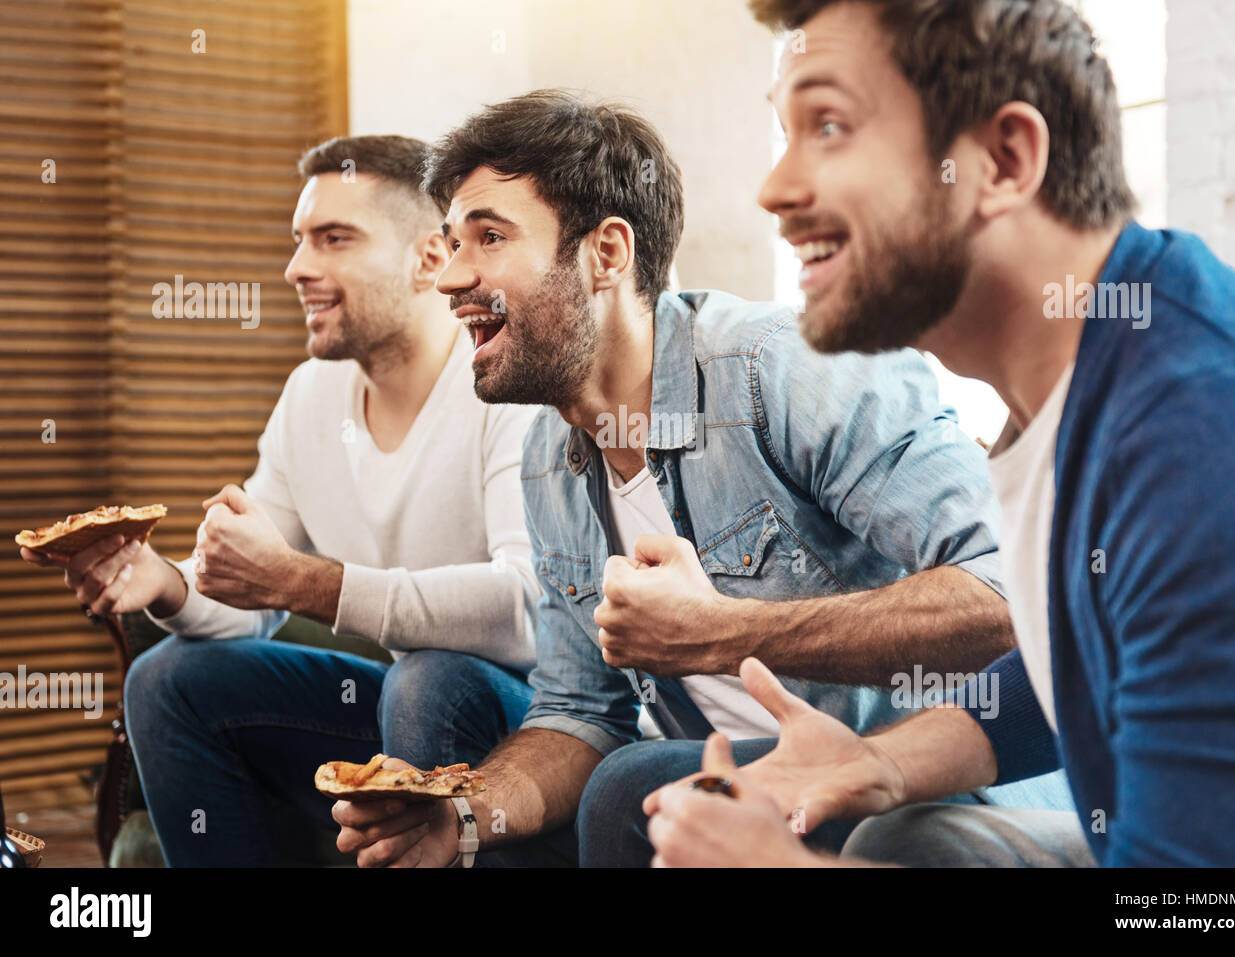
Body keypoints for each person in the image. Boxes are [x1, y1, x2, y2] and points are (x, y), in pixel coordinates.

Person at [331, 90, 1069, 869]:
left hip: (921, 780)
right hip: (729, 780)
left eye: (488, 237)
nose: (450, 277)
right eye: (449, 243)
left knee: (631, 786)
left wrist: (721, 631)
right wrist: (472, 815)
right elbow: (580, 712)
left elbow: (1012, 596)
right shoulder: (551, 457)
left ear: (606, 254)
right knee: (506, 832)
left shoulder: (790, 367)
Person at [645, 0, 1235, 867]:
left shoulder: (1201, 439)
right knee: (907, 835)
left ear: (1002, 160)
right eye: (785, 133)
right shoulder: (1080, 375)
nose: (775, 190)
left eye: (830, 126)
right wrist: (878, 759)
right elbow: (1072, 651)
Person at [19, 135, 542, 866]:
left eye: (334, 239)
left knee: (427, 676)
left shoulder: (501, 384)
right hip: (400, 713)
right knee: (169, 677)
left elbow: (530, 607)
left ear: (430, 258)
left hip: (531, 730)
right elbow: (254, 597)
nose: (298, 268)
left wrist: (313, 584)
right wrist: (164, 584)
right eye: (298, 241)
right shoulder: (311, 395)